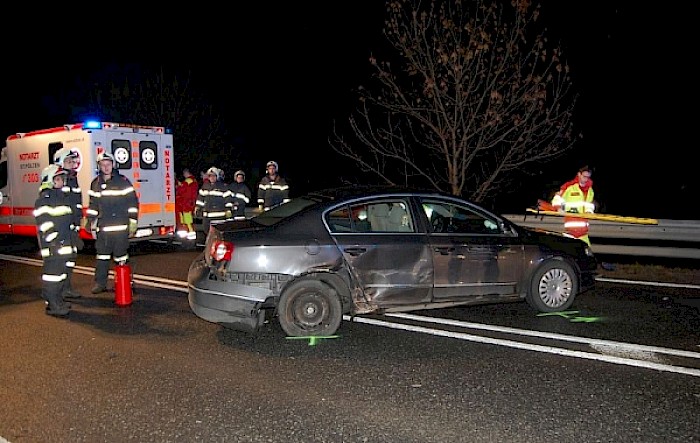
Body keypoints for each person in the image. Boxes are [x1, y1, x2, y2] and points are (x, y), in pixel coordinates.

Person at [85, 152, 140, 294]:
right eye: (103, 164)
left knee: (121, 257)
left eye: (108, 164)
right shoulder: (95, 183)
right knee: (102, 257)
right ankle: (100, 283)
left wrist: (133, 221)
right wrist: (89, 220)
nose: (106, 167)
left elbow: (133, 202)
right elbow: (93, 205)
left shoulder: (122, 181)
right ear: (99, 166)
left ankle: (125, 282)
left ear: (113, 164)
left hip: (121, 227)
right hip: (103, 228)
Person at [33, 165, 75, 317]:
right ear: (49, 180)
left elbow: (66, 222)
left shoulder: (61, 198)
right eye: (58, 179)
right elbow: (45, 224)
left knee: (61, 275)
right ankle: (52, 305)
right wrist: (54, 242)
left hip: (63, 245)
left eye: (62, 179)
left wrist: (73, 239)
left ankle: (58, 300)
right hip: (53, 246)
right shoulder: (44, 200)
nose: (61, 182)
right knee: (52, 276)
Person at [53, 147, 84, 299]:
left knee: (71, 259)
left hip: (72, 226)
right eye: (68, 161)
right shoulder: (57, 179)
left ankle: (67, 287)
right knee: (60, 260)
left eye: (72, 160)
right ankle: (58, 291)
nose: (72, 163)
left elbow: (76, 204)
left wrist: (78, 223)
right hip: (62, 228)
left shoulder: (72, 178)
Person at [551, 165, 595, 246]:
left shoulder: (590, 190)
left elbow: (589, 205)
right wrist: (559, 208)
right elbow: (557, 199)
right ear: (579, 174)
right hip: (569, 231)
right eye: (584, 176)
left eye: (588, 177)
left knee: (587, 255)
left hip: (583, 231)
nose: (586, 179)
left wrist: (589, 212)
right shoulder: (569, 187)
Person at [195, 166, 232, 234]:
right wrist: (198, 208)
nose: (212, 177)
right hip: (207, 217)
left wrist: (228, 210)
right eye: (210, 176)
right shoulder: (205, 187)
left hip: (219, 217)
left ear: (217, 176)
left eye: (214, 176)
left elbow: (228, 200)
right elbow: (200, 199)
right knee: (208, 234)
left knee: (219, 235)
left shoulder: (223, 187)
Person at [175, 168, 199, 241]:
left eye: (184, 173)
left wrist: (178, 185)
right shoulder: (193, 181)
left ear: (186, 173)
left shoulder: (188, 181)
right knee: (188, 220)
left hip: (186, 205)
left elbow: (181, 189)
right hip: (189, 204)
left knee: (187, 221)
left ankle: (190, 236)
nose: (183, 175)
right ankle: (189, 235)